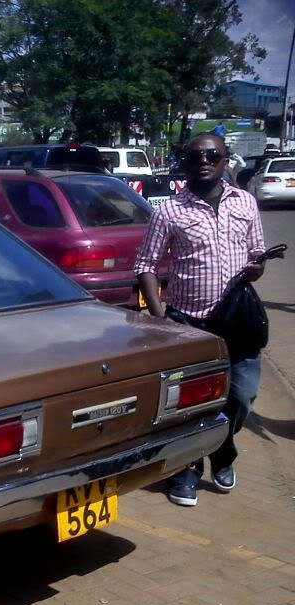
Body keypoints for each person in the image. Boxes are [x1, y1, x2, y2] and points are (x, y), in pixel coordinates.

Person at [135, 131, 266, 507]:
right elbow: (145, 266)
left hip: (238, 320)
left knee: (240, 396)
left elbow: (256, 250)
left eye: (213, 156)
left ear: (226, 160)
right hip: (188, 324)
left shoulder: (245, 203)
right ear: (185, 164)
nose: (204, 162)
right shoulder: (169, 211)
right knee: (187, 405)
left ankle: (222, 453)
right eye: (196, 158)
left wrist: (256, 267)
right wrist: (162, 320)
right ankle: (185, 470)